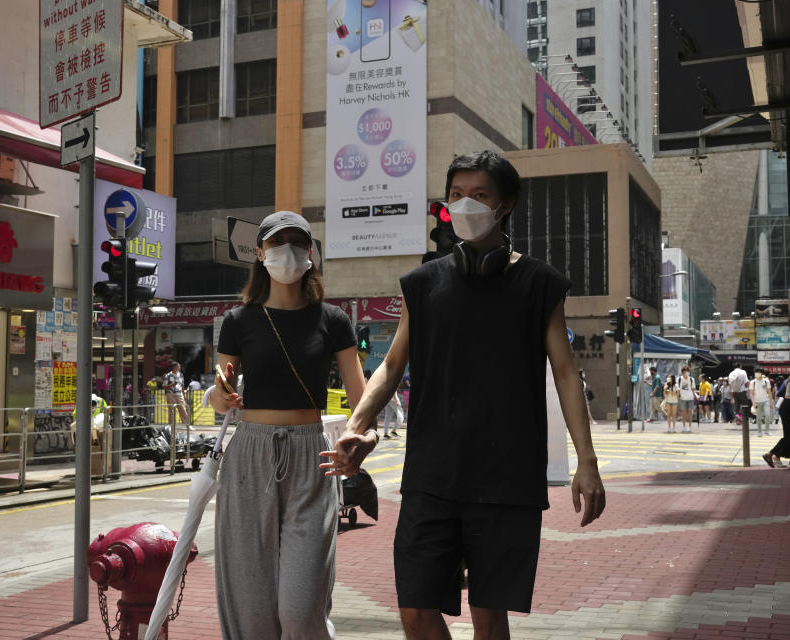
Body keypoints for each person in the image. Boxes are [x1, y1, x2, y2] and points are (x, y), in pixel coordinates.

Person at [320, 151, 606, 640]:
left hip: (507, 480)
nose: (465, 205)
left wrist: (587, 461)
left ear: (506, 205)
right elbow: (391, 366)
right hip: (432, 477)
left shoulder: (541, 284)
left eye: (479, 195)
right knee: (415, 610)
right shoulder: (423, 284)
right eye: (455, 195)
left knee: (490, 617)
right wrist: (356, 428)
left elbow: (564, 370)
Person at [208, 210, 366, 639]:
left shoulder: (333, 320)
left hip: (312, 457)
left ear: (311, 254)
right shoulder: (237, 321)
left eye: (298, 243)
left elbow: (361, 397)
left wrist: (362, 436)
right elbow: (220, 392)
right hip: (249, 455)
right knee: (253, 612)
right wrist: (220, 396)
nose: (288, 252)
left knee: (301, 610)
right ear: (259, 254)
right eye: (277, 244)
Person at [748, 369, 774, 437]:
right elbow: (751, 394)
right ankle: (759, 432)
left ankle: (767, 430)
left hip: (766, 400)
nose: (757, 374)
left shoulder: (766, 381)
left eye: (758, 372)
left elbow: (769, 392)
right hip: (757, 402)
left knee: (767, 415)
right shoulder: (752, 382)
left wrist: (771, 403)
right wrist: (753, 403)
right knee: (759, 417)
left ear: (761, 373)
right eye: (756, 372)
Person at [162, 362, 189, 426]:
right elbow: (164, 386)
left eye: (179, 366)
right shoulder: (168, 375)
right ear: (174, 367)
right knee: (171, 410)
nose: (179, 368)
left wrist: (184, 394)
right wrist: (172, 385)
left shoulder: (181, 375)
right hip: (170, 394)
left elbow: (182, 385)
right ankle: (171, 425)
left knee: (183, 409)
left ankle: (186, 424)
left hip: (179, 394)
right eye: (178, 366)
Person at [677, 366, 695, 433]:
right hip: (683, 398)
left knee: (690, 412)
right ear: (682, 372)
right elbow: (678, 388)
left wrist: (696, 395)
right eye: (685, 371)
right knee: (683, 413)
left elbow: (693, 388)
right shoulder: (679, 379)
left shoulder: (691, 379)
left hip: (690, 397)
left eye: (688, 371)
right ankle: (684, 426)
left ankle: (690, 427)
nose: (687, 372)